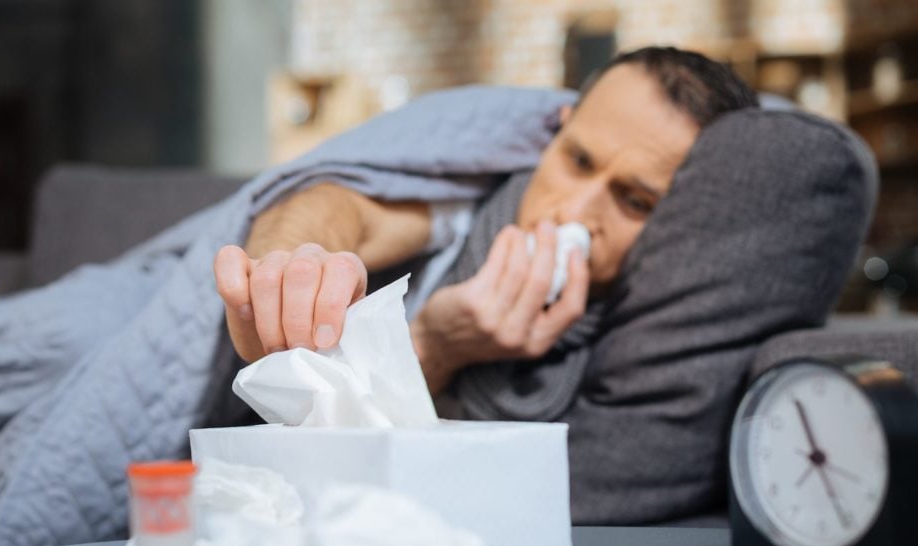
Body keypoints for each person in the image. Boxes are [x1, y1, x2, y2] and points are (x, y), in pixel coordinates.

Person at [213, 47, 758, 396]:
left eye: (634, 201)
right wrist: (290, 264)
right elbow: (341, 205)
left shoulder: (667, 328)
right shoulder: (477, 205)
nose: (573, 212)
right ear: (555, 133)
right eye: (578, 161)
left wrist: (439, 346)